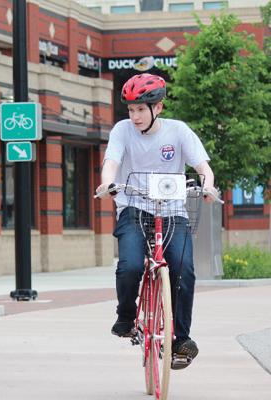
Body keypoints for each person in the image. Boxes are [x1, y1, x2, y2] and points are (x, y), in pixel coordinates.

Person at [95, 73, 218, 369]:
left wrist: (209, 186)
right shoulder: (122, 130)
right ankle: (126, 316)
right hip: (134, 207)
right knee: (130, 265)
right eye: (131, 109)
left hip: (173, 210)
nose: (134, 116)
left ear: (158, 108)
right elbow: (110, 163)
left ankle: (180, 341)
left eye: (141, 109)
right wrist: (107, 184)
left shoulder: (178, 131)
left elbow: (203, 168)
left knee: (183, 269)